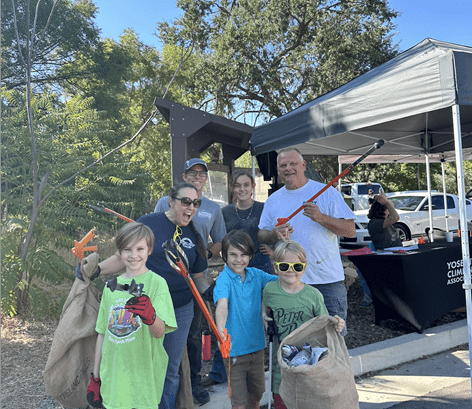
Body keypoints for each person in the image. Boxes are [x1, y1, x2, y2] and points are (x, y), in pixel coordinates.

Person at [85, 183, 208, 409]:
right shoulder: (149, 222)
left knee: (169, 368)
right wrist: (96, 270)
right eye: (186, 201)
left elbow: (198, 275)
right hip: (140, 302)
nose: (191, 207)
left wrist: (211, 292)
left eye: (196, 203)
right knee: (141, 360)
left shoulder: (193, 232)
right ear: (171, 201)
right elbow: (123, 255)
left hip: (180, 309)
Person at [258, 147, 356, 336]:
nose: (288, 168)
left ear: (303, 165)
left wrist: (321, 218)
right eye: (283, 165)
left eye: (293, 163)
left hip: (327, 282)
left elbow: (350, 230)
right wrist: (273, 234)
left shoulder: (326, 192)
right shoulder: (273, 200)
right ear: (278, 170)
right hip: (290, 281)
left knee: (333, 341)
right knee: (296, 341)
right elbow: (262, 235)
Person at [154, 158, 226, 405]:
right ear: (184, 176)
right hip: (162, 284)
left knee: (193, 336)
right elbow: (153, 236)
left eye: (202, 173)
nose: (197, 176)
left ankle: (193, 383)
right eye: (193, 172)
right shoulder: (165, 203)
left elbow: (219, 241)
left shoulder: (213, 209)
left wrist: (203, 256)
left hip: (195, 281)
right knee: (158, 339)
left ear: (206, 179)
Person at [87, 222, 177, 409]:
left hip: (143, 380)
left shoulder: (157, 284)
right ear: (119, 252)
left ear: (149, 250)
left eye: (140, 248)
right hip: (113, 379)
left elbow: (159, 332)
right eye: (127, 249)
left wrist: (150, 317)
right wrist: (95, 377)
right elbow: (102, 333)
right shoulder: (111, 286)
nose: (133, 255)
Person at [202, 170, 273, 388]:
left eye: (246, 185)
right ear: (232, 188)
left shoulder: (263, 208)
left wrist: (272, 248)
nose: (242, 189)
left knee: (257, 317)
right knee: (228, 318)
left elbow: (271, 233)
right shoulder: (225, 212)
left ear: (252, 186)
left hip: (259, 265)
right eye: (237, 186)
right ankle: (219, 369)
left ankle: (255, 363)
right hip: (233, 268)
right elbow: (220, 238)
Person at [262, 241, 345, 409]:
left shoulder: (313, 295)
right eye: (284, 266)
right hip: (281, 361)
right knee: (281, 398)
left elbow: (324, 323)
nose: (291, 270)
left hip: (308, 360)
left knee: (306, 399)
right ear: (275, 268)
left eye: (297, 267)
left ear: (304, 268)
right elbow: (266, 301)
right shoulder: (270, 290)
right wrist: (263, 313)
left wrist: (337, 324)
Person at [214, 230, 278, 409]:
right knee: (239, 403)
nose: (238, 259)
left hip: (257, 349)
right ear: (224, 256)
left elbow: (282, 279)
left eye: (243, 254)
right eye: (233, 254)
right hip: (234, 352)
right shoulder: (223, 279)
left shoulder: (257, 275)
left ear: (250, 255)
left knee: (257, 395)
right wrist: (221, 332)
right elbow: (222, 306)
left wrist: (279, 251)